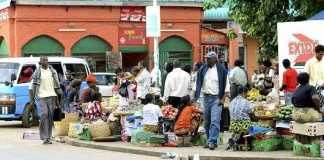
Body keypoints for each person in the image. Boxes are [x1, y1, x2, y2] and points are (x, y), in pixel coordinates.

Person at [195, 51, 227, 150]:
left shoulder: (222, 70)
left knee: (215, 120)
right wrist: (196, 98)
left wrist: (223, 99)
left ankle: (212, 141)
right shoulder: (203, 69)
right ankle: (210, 140)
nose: (207, 60)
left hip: (217, 98)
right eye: (206, 58)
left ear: (215, 59)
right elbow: (198, 84)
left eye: (209, 58)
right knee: (207, 121)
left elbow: (227, 87)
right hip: (205, 98)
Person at [29, 56, 62, 144]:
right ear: (40, 62)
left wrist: (57, 100)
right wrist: (31, 100)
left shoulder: (53, 72)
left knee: (50, 116)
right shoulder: (37, 72)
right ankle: (43, 136)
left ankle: (48, 137)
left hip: (52, 96)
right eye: (43, 60)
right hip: (41, 96)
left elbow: (56, 86)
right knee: (44, 114)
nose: (45, 61)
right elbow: (31, 88)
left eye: (47, 60)